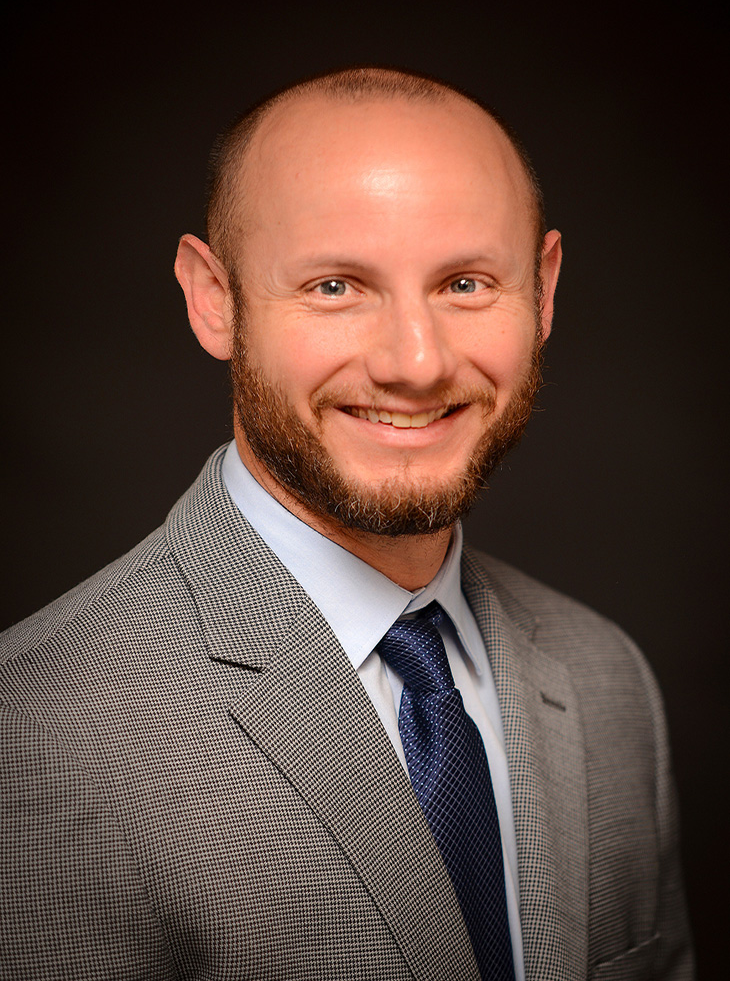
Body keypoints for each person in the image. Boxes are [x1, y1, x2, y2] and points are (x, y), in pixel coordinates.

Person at [0, 66, 693, 980]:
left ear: (546, 290)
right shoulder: (37, 732)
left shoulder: (609, 680)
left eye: (467, 284)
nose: (416, 362)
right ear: (214, 298)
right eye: (335, 286)